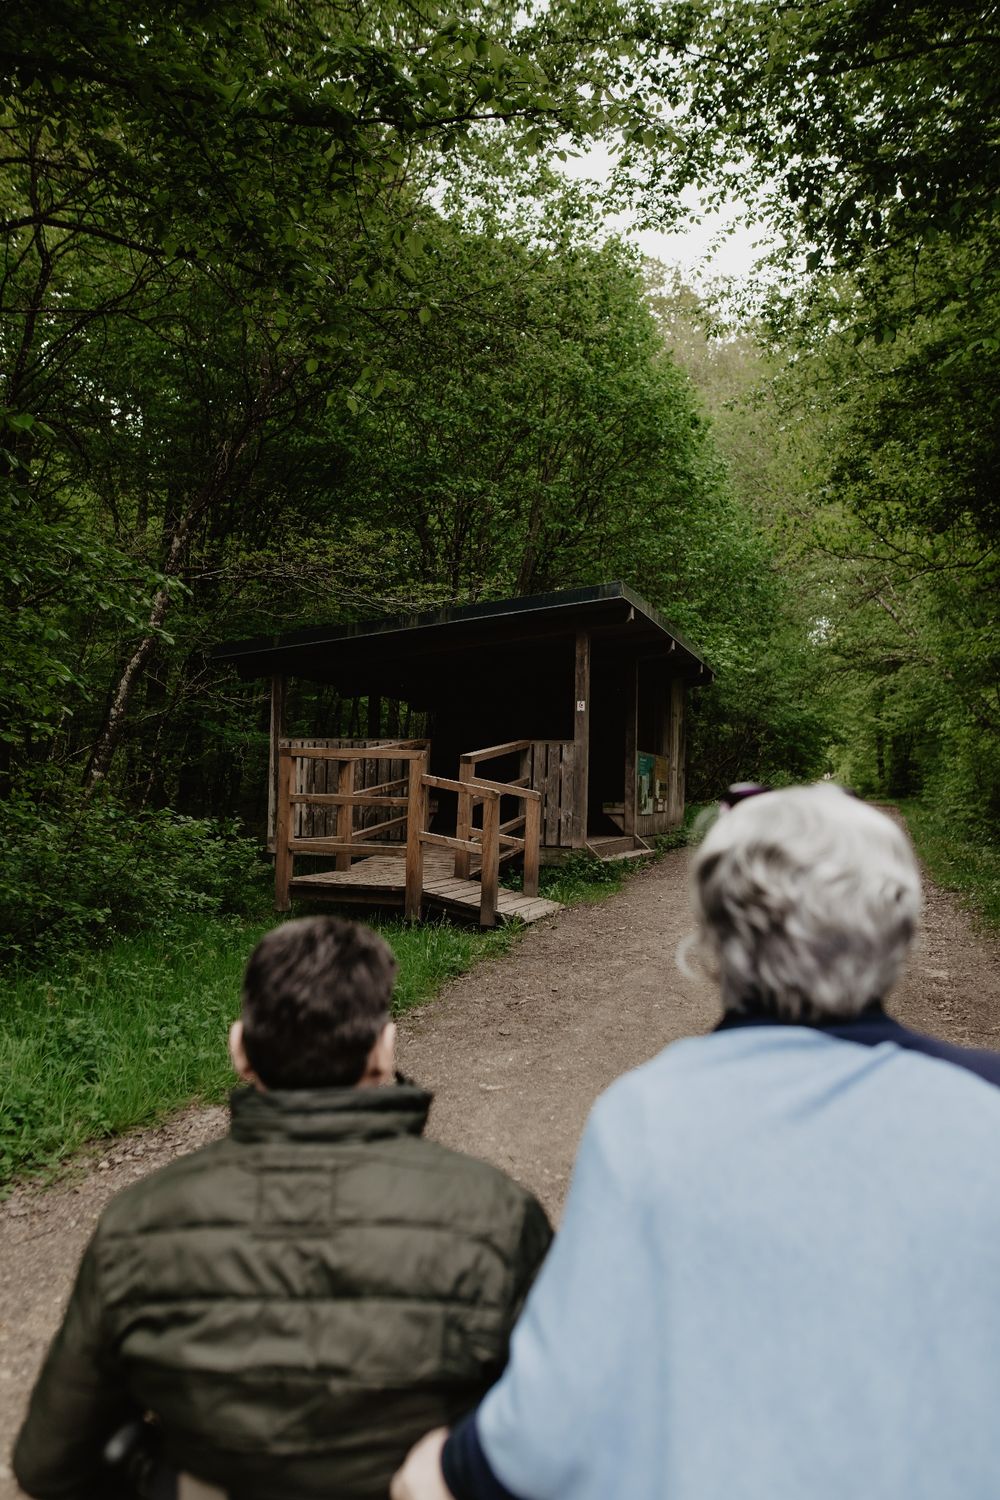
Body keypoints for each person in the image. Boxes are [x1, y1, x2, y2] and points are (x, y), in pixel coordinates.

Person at [392, 783, 1000, 1500]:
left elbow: (543, 1436)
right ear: (900, 930)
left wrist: (446, 1465)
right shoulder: (986, 1102)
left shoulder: (649, 1114)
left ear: (714, 937)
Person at [13, 916, 552, 1500]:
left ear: (239, 1049)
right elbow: (554, 1430)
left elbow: (49, 1463)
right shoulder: (499, 1214)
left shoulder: (135, 1223)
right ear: (383, 1049)